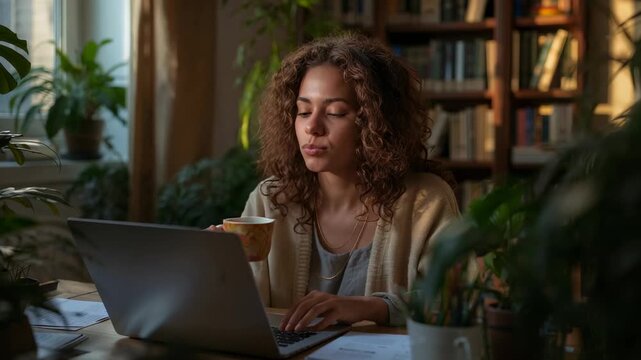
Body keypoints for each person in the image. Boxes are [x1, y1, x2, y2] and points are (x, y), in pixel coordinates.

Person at [238, 33, 459, 331]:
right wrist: (220, 268)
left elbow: (457, 301)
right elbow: (242, 309)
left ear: (374, 122)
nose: (312, 127)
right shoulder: (271, 200)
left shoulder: (425, 202)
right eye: (303, 111)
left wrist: (372, 307)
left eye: (335, 112)